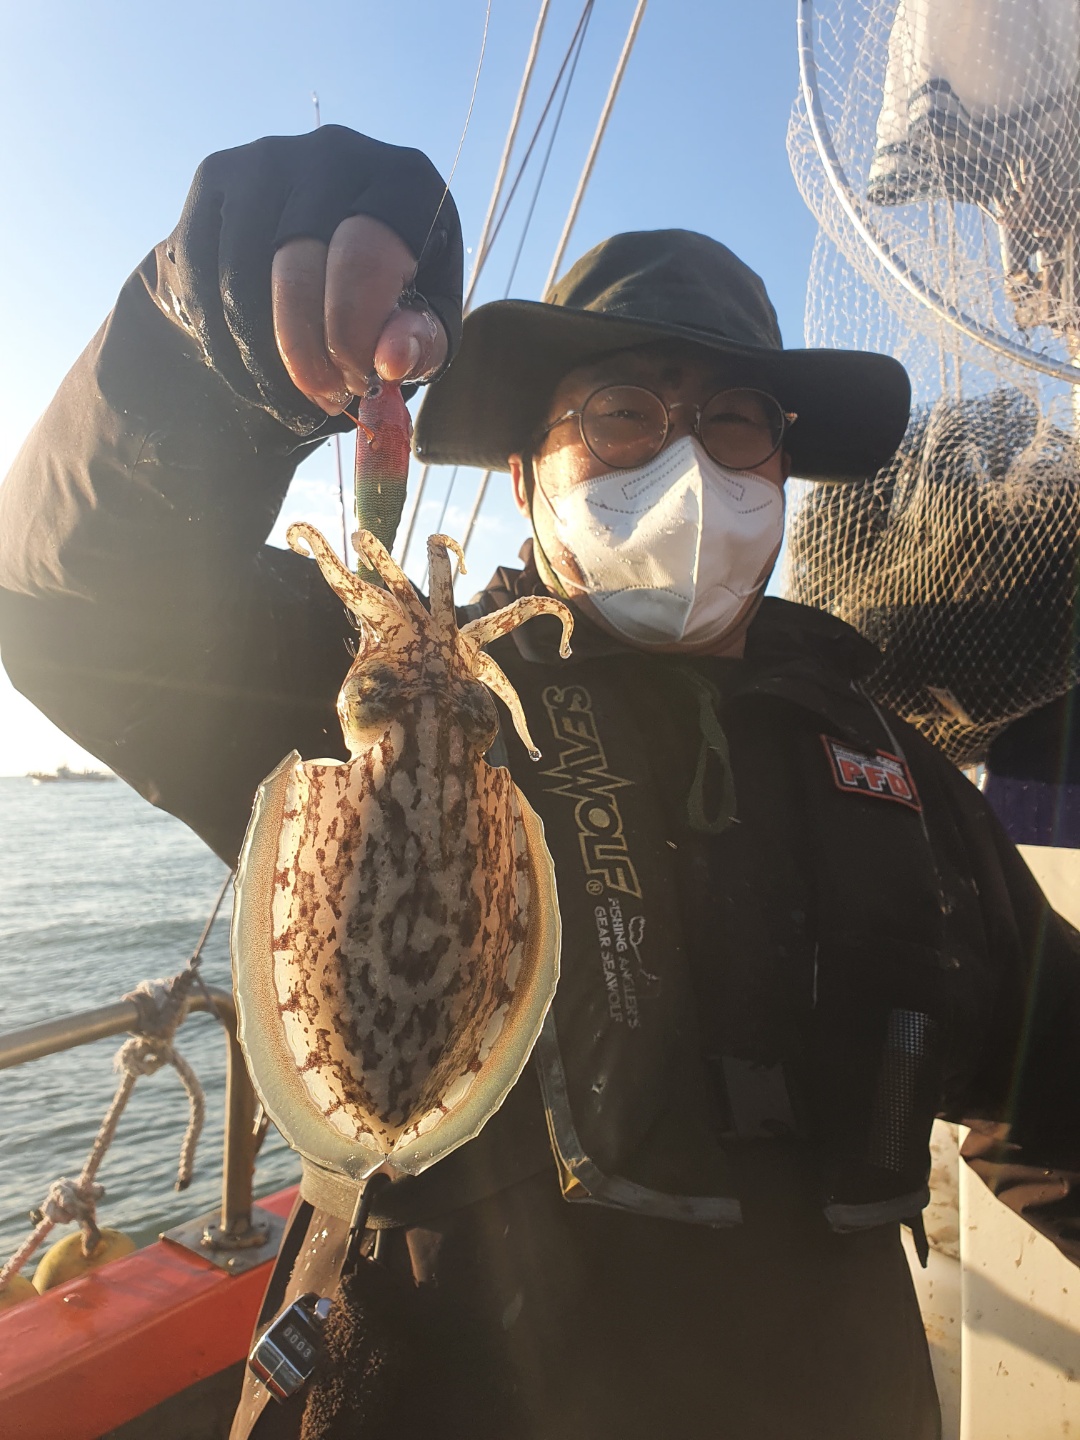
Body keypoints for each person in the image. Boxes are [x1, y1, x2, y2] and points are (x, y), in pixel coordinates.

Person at [2, 125, 1079, 1440]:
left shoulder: (896, 779)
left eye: (736, 422)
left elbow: (1057, 1081)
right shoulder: (403, 692)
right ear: (525, 475)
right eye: (624, 413)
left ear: (782, 477)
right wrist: (211, 343)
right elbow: (74, 595)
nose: (688, 463)